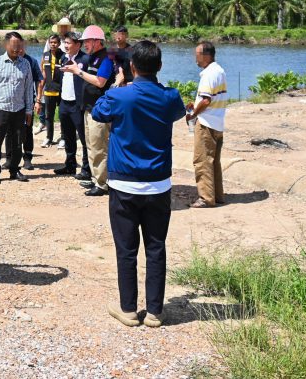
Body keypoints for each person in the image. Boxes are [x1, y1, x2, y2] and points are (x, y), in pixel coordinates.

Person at [92, 40, 186, 328]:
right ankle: (155, 311)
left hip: (124, 185)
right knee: (156, 246)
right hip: (158, 184)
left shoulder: (120, 97)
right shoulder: (170, 97)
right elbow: (179, 113)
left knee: (126, 249)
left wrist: (118, 84)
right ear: (159, 66)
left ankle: (129, 309)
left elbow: (98, 112)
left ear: (131, 67)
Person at [64, 25, 117, 196]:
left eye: (87, 41)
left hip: (100, 109)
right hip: (88, 108)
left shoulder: (106, 58)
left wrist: (77, 72)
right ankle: (96, 179)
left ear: (96, 41)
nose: (85, 44)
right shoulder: (91, 57)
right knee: (91, 146)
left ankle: (102, 184)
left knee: (99, 146)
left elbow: (100, 82)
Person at [0, 32, 35, 184]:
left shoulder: (25, 63)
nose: (17, 49)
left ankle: (14, 169)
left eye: (19, 45)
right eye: (14, 46)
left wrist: (29, 110)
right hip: (0, 108)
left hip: (19, 109)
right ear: (5, 45)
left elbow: (28, 88)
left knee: (17, 141)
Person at [187, 41, 228, 208]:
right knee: (213, 162)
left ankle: (205, 197)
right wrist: (195, 104)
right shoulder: (219, 70)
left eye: (197, 54)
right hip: (217, 122)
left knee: (202, 161)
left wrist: (193, 114)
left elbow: (206, 100)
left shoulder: (208, 74)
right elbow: (209, 98)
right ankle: (217, 195)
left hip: (206, 122)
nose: (195, 58)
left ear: (206, 56)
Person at [54, 32, 90, 180]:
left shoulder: (85, 59)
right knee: (68, 136)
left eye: (68, 43)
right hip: (64, 103)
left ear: (78, 44)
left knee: (84, 137)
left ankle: (87, 169)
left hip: (78, 104)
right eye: (65, 42)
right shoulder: (63, 58)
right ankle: (70, 165)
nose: (65, 45)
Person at [20, 46, 44, 171]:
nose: (18, 49)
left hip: (28, 101)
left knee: (27, 130)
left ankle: (28, 158)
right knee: (10, 131)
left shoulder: (32, 61)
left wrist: (38, 101)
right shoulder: (4, 60)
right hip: (10, 102)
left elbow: (40, 80)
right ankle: (10, 158)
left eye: (20, 46)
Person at [39, 34, 64, 148]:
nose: (53, 44)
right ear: (49, 43)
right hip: (48, 91)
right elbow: (42, 74)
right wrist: (39, 94)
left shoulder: (64, 56)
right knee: (49, 116)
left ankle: (63, 138)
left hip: (61, 91)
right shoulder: (45, 56)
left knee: (63, 115)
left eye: (55, 42)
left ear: (59, 44)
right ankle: (49, 138)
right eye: (51, 42)